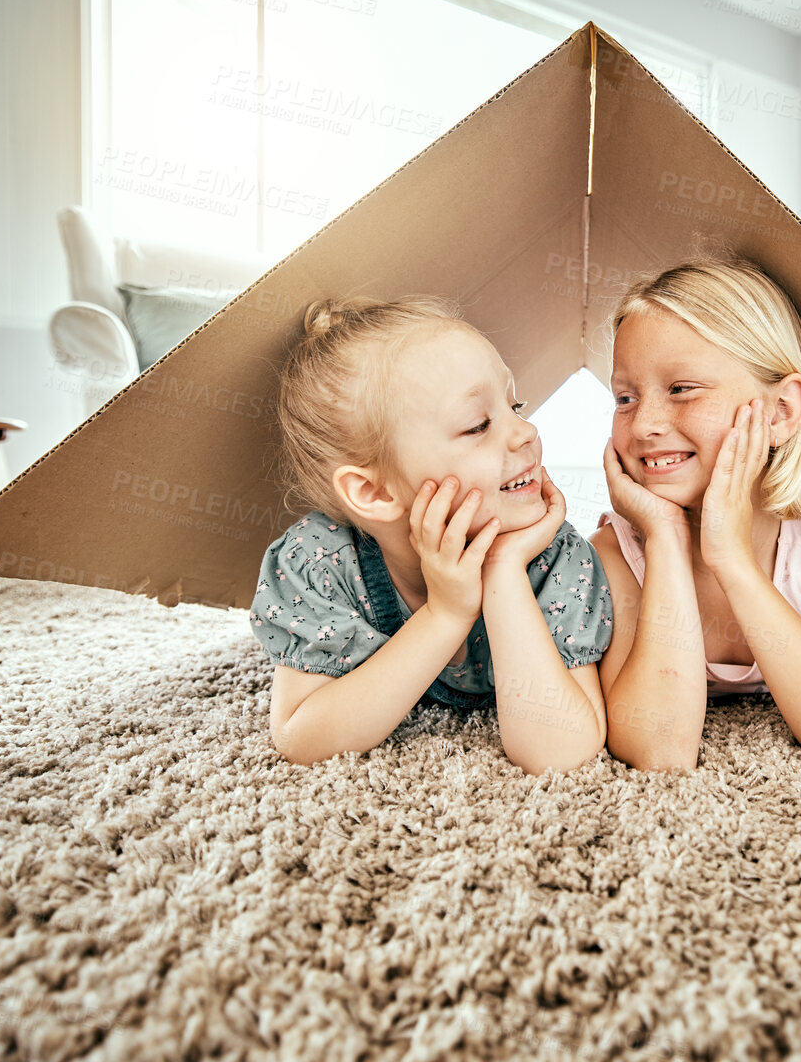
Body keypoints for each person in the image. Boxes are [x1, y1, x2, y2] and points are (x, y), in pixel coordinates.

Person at [251, 296, 613, 775]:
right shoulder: (320, 561)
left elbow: (561, 753)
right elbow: (302, 738)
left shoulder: (554, 557)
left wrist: (503, 570)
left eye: (515, 404)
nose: (526, 430)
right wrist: (445, 614)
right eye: (478, 425)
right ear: (373, 492)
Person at [591, 257, 801, 772]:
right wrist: (665, 540)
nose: (644, 423)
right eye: (625, 397)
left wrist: (733, 560)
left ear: (780, 413)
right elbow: (658, 749)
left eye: (681, 389)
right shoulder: (615, 556)